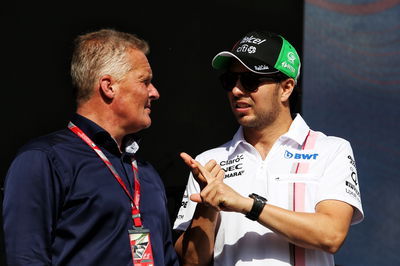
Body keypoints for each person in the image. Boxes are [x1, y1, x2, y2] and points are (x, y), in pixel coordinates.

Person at [173, 30, 364, 266]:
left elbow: (331, 235)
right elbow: (191, 262)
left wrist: (247, 204)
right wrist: (207, 207)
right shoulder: (209, 161)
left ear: (286, 88)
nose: (236, 90)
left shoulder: (331, 150)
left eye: (250, 81)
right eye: (229, 81)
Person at [2, 28, 179, 266]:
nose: (154, 93)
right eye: (145, 81)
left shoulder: (146, 172)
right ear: (109, 86)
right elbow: (26, 259)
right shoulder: (43, 160)